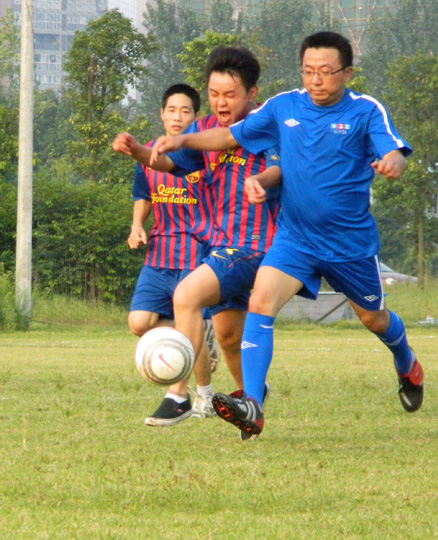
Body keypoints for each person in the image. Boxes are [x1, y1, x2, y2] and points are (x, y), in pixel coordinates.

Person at [149, 31, 424, 441]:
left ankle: (407, 363)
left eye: (326, 72)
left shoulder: (366, 111)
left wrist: (393, 163)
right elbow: (230, 136)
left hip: (348, 244)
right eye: (309, 71)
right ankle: (252, 406)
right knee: (261, 301)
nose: (316, 80)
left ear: (347, 73)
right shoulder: (283, 106)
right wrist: (182, 139)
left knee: (373, 319)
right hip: (295, 238)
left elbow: (393, 151)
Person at [113, 47, 281, 431]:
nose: (221, 102)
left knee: (186, 296)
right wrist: (136, 150)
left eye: (230, 94)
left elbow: (278, 167)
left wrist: (262, 180)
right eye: (214, 93)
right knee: (228, 338)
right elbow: (170, 163)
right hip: (218, 245)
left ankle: (179, 395)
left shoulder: (265, 124)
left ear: (252, 93)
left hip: (253, 243)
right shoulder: (201, 127)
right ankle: (252, 404)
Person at [125, 83, 219, 426]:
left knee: (186, 326)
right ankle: (201, 336)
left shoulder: (202, 154)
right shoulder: (147, 154)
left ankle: (195, 396)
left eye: (185, 111)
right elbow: (143, 195)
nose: (177, 116)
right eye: (171, 110)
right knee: (140, 322)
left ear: (196, 117)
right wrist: (137, 225)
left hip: (196, 252)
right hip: (160, 253)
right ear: (162, 114)